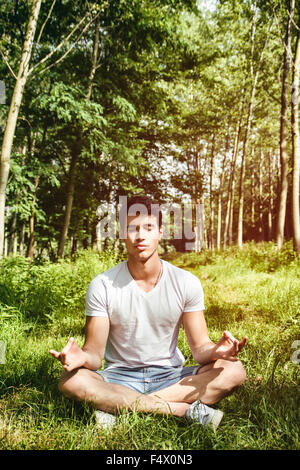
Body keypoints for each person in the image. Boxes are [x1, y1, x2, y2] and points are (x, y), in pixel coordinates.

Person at [50, 195, 247, 431]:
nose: (140, 235)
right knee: (72, 381)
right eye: (132, 228)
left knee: (234, 370)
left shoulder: (186, 282)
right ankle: (182, 410)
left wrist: (216, 351)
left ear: (160, 232)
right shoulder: (102, 284)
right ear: (122, 233)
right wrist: (81, 357)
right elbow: (94, 355)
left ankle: (116, 407)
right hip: (119, 377)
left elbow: (200, 348)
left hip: (170, 376)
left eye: (148, 227)